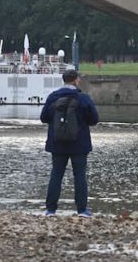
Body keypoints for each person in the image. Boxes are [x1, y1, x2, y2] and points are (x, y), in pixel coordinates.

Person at [40, 70, 99, 217]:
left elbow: (44, 118)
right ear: (76, 80)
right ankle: (82, 210)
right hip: (79, 143)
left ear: (63, 80)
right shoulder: (83, 98)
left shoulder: (53, 97)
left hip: (57, 143)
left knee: (56, 175)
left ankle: (51, 210)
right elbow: (94, 119)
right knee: (80, 176)